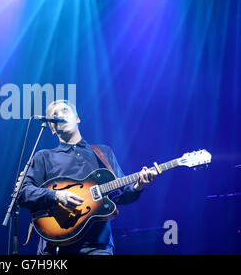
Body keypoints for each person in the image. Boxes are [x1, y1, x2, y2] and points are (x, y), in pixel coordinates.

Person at [16, 100, 157, 255]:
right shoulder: (44, 157)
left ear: (77, 118)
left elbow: (122, 195)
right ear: (52, 128)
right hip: (55, 246)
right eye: (54, 115)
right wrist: (56, 195)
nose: (60, 115)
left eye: (65, 110)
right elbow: (22, 193)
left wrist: (139, 186)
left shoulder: (103, 153)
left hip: (98, 246)